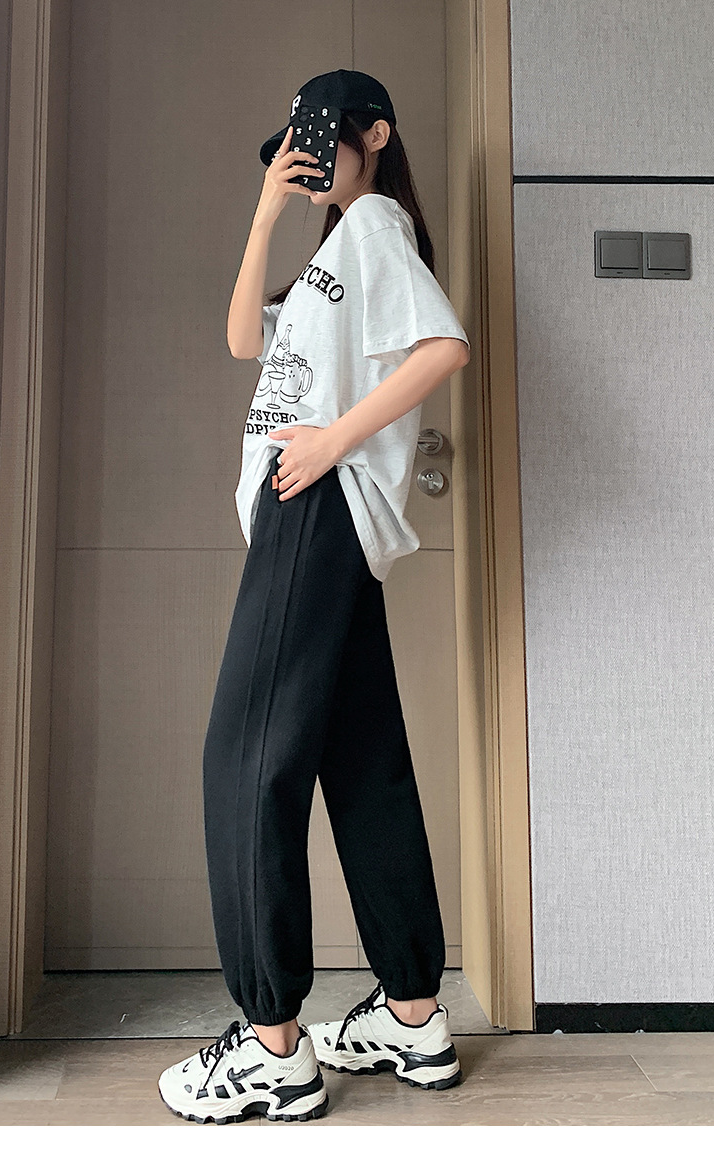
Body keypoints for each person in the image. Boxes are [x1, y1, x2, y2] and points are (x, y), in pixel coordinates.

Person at [158, 70, 470, 1125]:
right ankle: (415, 1013)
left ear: (373, 133)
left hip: (317, 508)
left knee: (245, 757)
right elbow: (243, 339)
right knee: (363, 760)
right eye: (289, 145)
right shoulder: (335, 252)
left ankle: (270, 1048)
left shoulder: (376, 224)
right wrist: (265, 214)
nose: (304, 157)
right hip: (329, 524)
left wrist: (334, 441)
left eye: (320, 136)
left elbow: (444, 346)